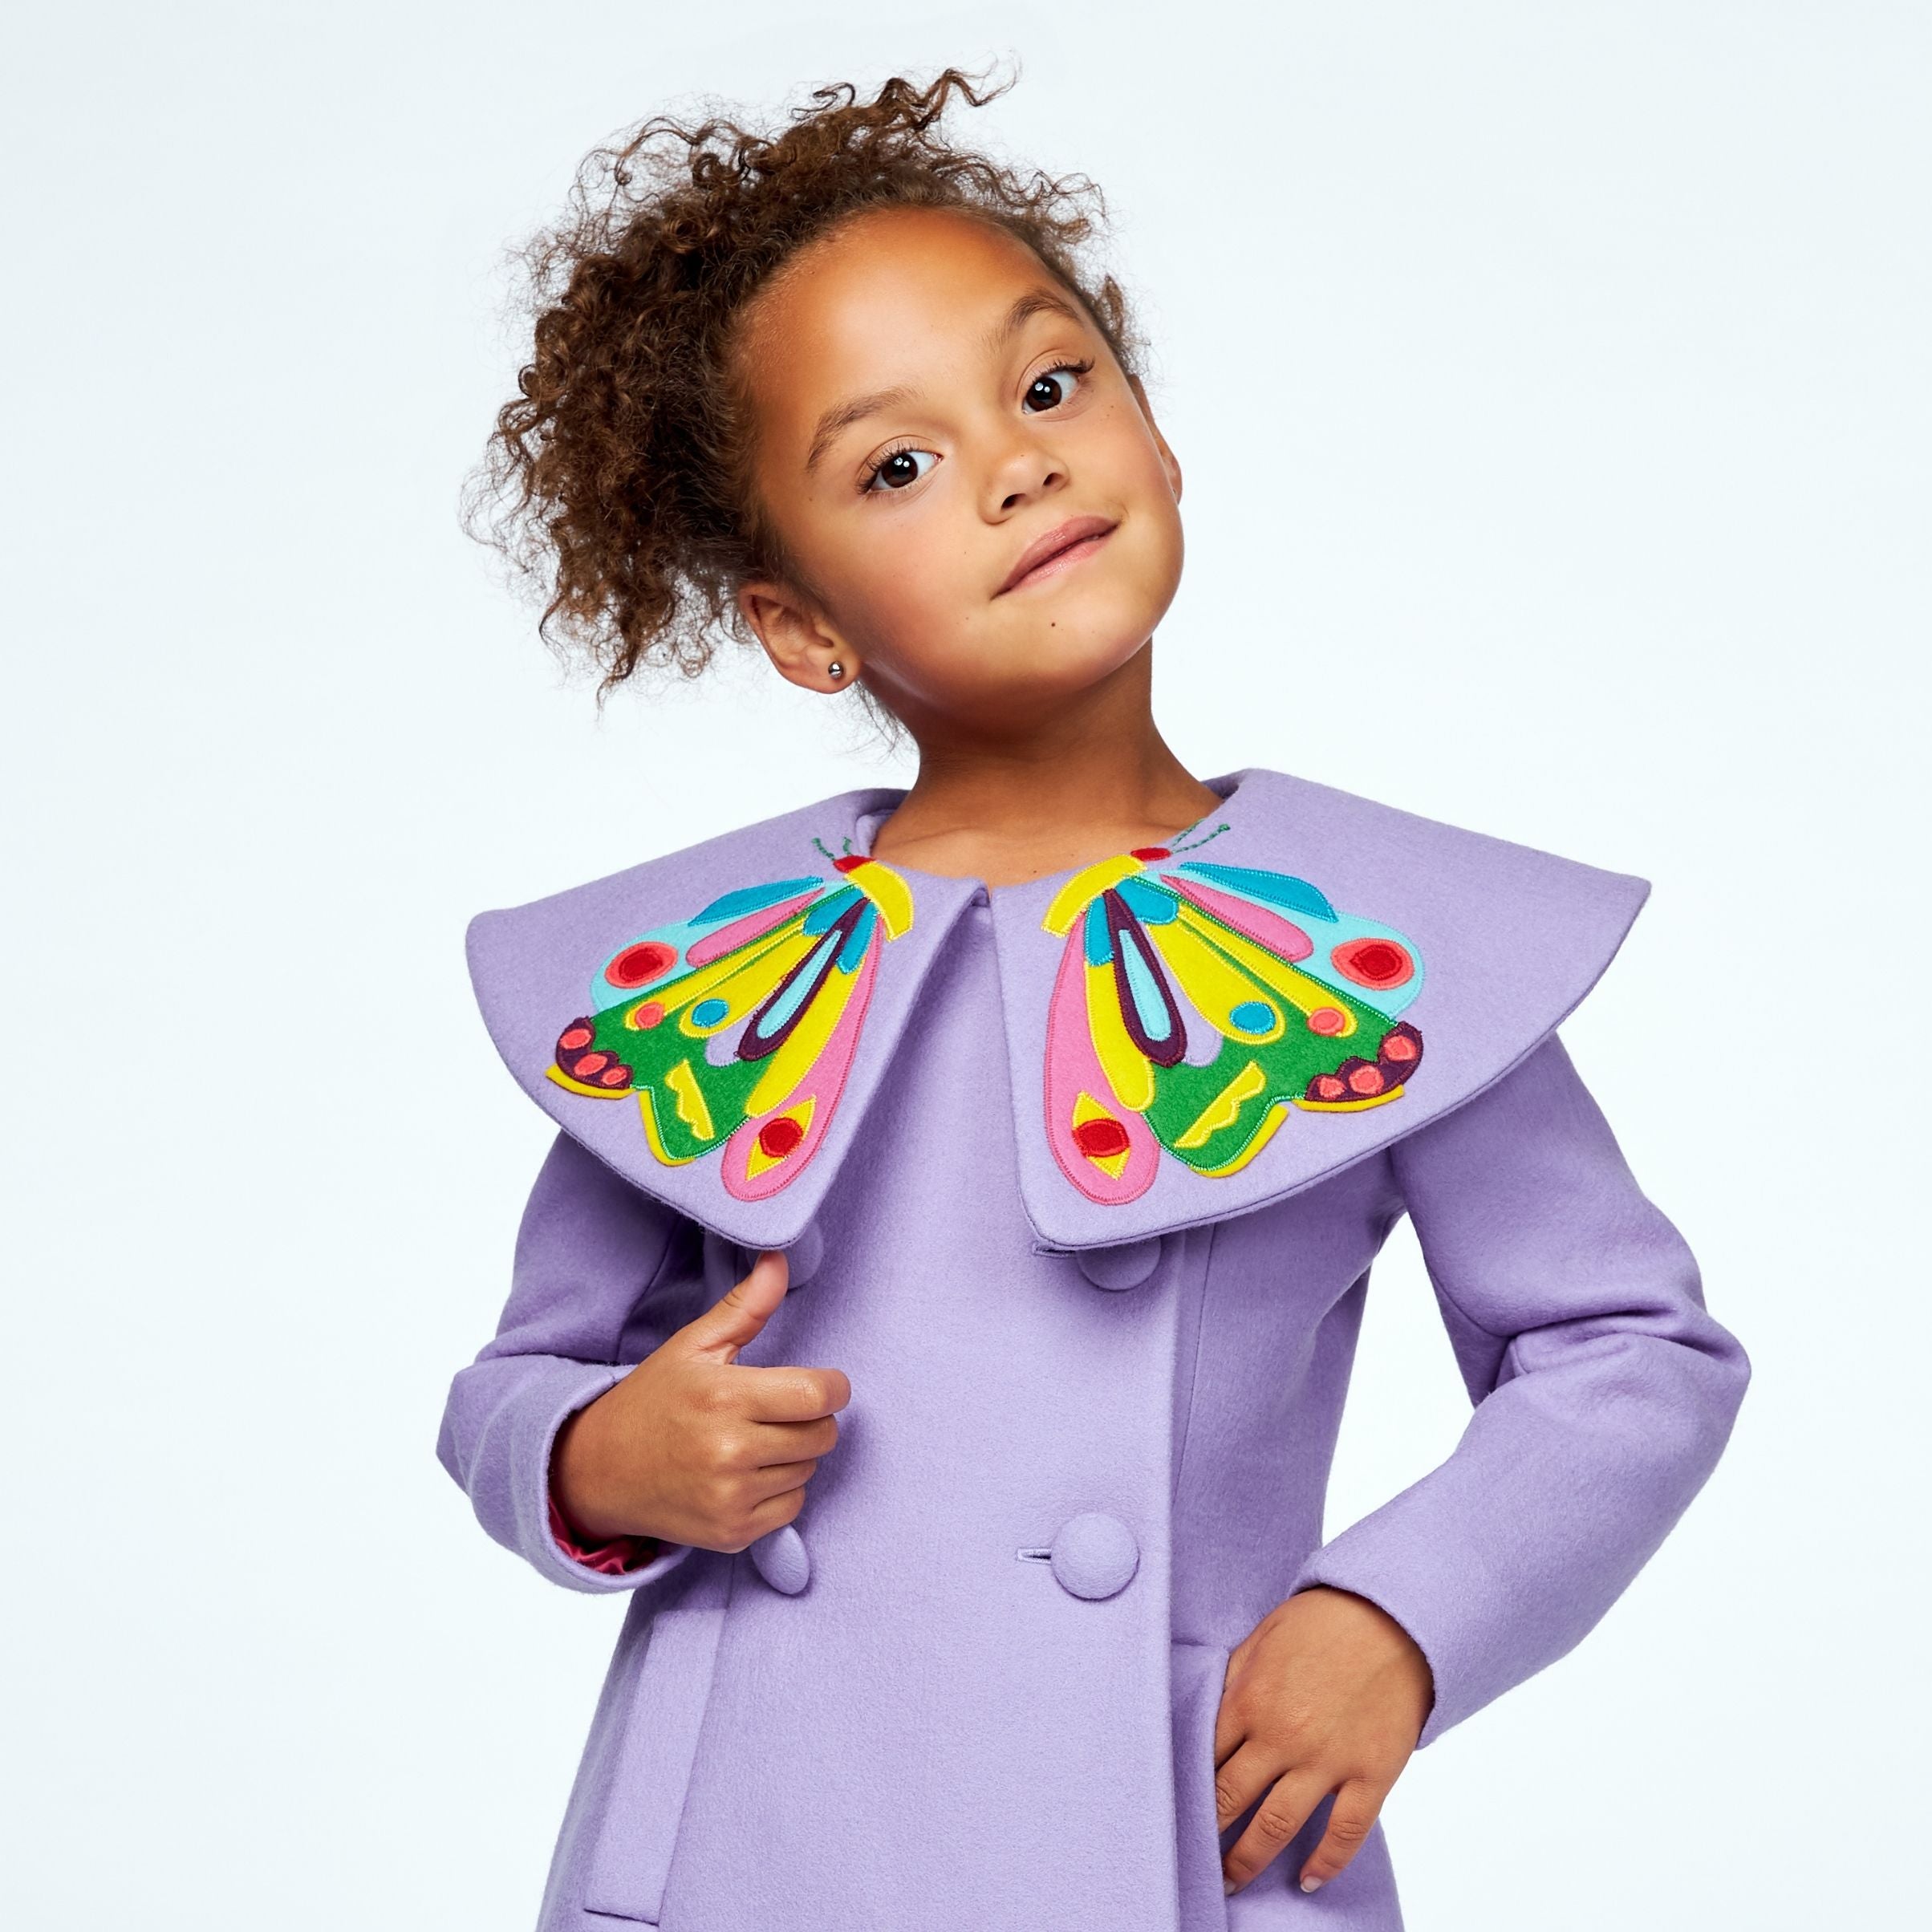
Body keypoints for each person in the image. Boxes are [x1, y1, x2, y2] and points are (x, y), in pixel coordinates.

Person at [437, 65, 1751, 1931]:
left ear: (1157, 433)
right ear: (802, 626)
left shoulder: (1377, 945)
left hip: (1175, 1837)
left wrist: (1392, 1618)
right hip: (742, 1847)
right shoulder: (707, 972)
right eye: (896, 466)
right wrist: (595, 1459)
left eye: (1050, 386)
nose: (1017, 463)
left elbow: (1629, 1353)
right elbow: (520, 1381)